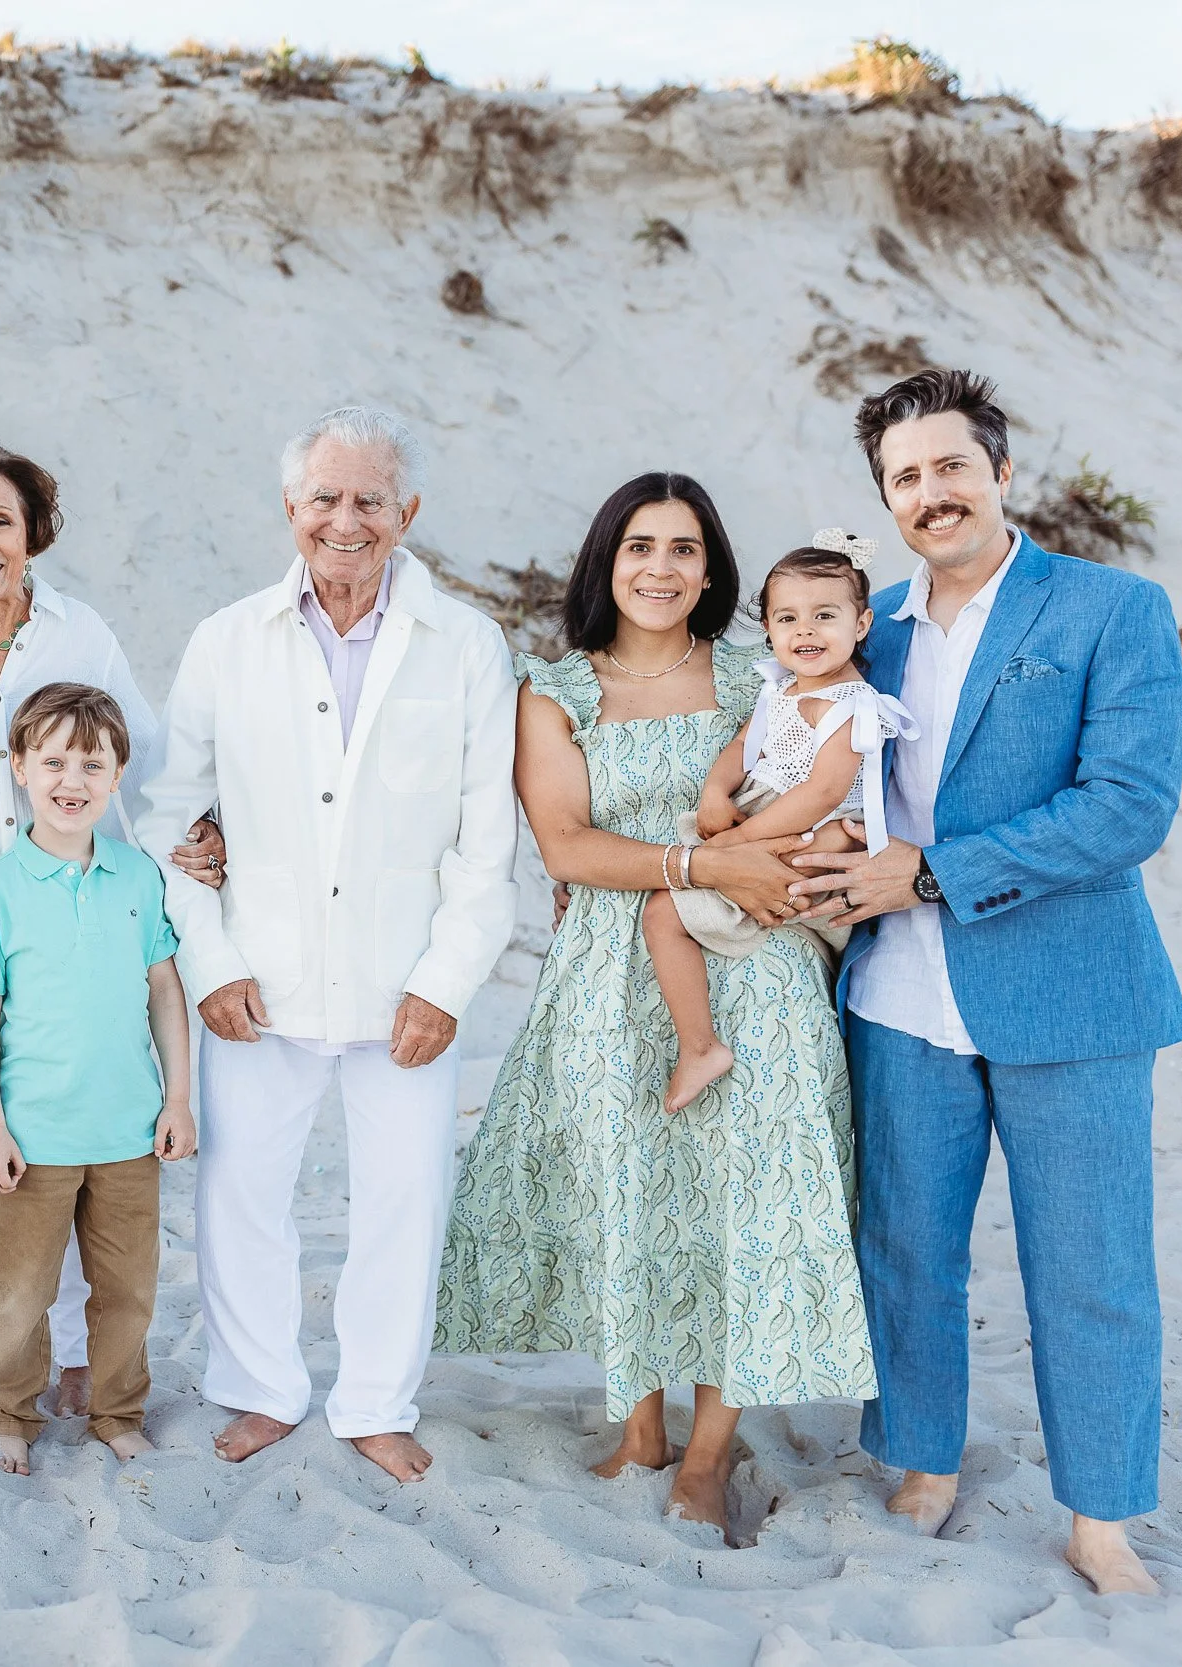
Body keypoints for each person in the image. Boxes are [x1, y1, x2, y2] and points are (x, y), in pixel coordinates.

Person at [787, 369, 1182, 1596]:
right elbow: (826, 778)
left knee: (1093, 1262)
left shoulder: (1108, 607)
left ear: (1001, 472)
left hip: (1070, 991)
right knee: (905, 1246)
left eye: (950, 466)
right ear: (887, 503)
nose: (930, 492)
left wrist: (933, 874)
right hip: (900, 999)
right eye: (904, 477)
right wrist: (828, 853)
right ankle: (917, 1459)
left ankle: (1104, 1515)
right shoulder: (876, 633)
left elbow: (1127, 806)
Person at [433, 473, 876, 1535]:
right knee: (625, 1191)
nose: (660, 567)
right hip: (606, 970)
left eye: (684, 548)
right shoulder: (555, 690)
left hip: (759, 967)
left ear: (712, 570)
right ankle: (637, 1428)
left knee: (748, 1199)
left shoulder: (756, 673)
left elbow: (844, 773)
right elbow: (568, 845)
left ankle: (707, 1456)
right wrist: (699, 864)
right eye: (640, 545)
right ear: (606, 559)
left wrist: (826, 844)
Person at [138, 406, 519, 1484]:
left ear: (408, 512)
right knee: (241, 1195)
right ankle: (262, 1387)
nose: (343, 520)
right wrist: (208, 963)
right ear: (289, 509)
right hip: (256, 980)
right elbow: (170, 818)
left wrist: (445, 982)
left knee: (403, 1199)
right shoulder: (228, 638)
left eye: (367, 499)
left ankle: (375, 1400)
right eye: (322, 498)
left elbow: (486, 845)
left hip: (406, 981)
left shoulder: (467, 646)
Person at [0, 437, 215, 1419]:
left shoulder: (79, 632)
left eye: (1, 521)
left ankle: (62, 1350)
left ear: (31, 535)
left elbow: (140, 767)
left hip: (67, 943)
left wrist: (189, 858)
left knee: (59, 1147)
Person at [0, 683, 196, 1474]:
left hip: (128, 1131)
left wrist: (179, 1099)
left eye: (93, 763)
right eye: (53, 759)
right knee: (21, 1293)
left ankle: (117, 1408)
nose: (73, 778)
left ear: (118, 773)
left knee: (126, 1289)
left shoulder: (136, 876)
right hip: (35, 1137)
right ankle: (12, 1413)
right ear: (19, 767)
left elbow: (165, 990)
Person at [644, 533, 916, 1113]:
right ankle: (699, 1040)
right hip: (765, 814)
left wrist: (738, 840)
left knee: (664, 911)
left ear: (862, 624)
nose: (806, 631)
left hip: (815, 832)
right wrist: (717, 790)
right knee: (669, 904)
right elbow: (746, 744)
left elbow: (822, 792)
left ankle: (700, 1047)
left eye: (825, 616)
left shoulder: (852, 707)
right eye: (787, 618)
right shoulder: (779, 688)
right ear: (767, 628)